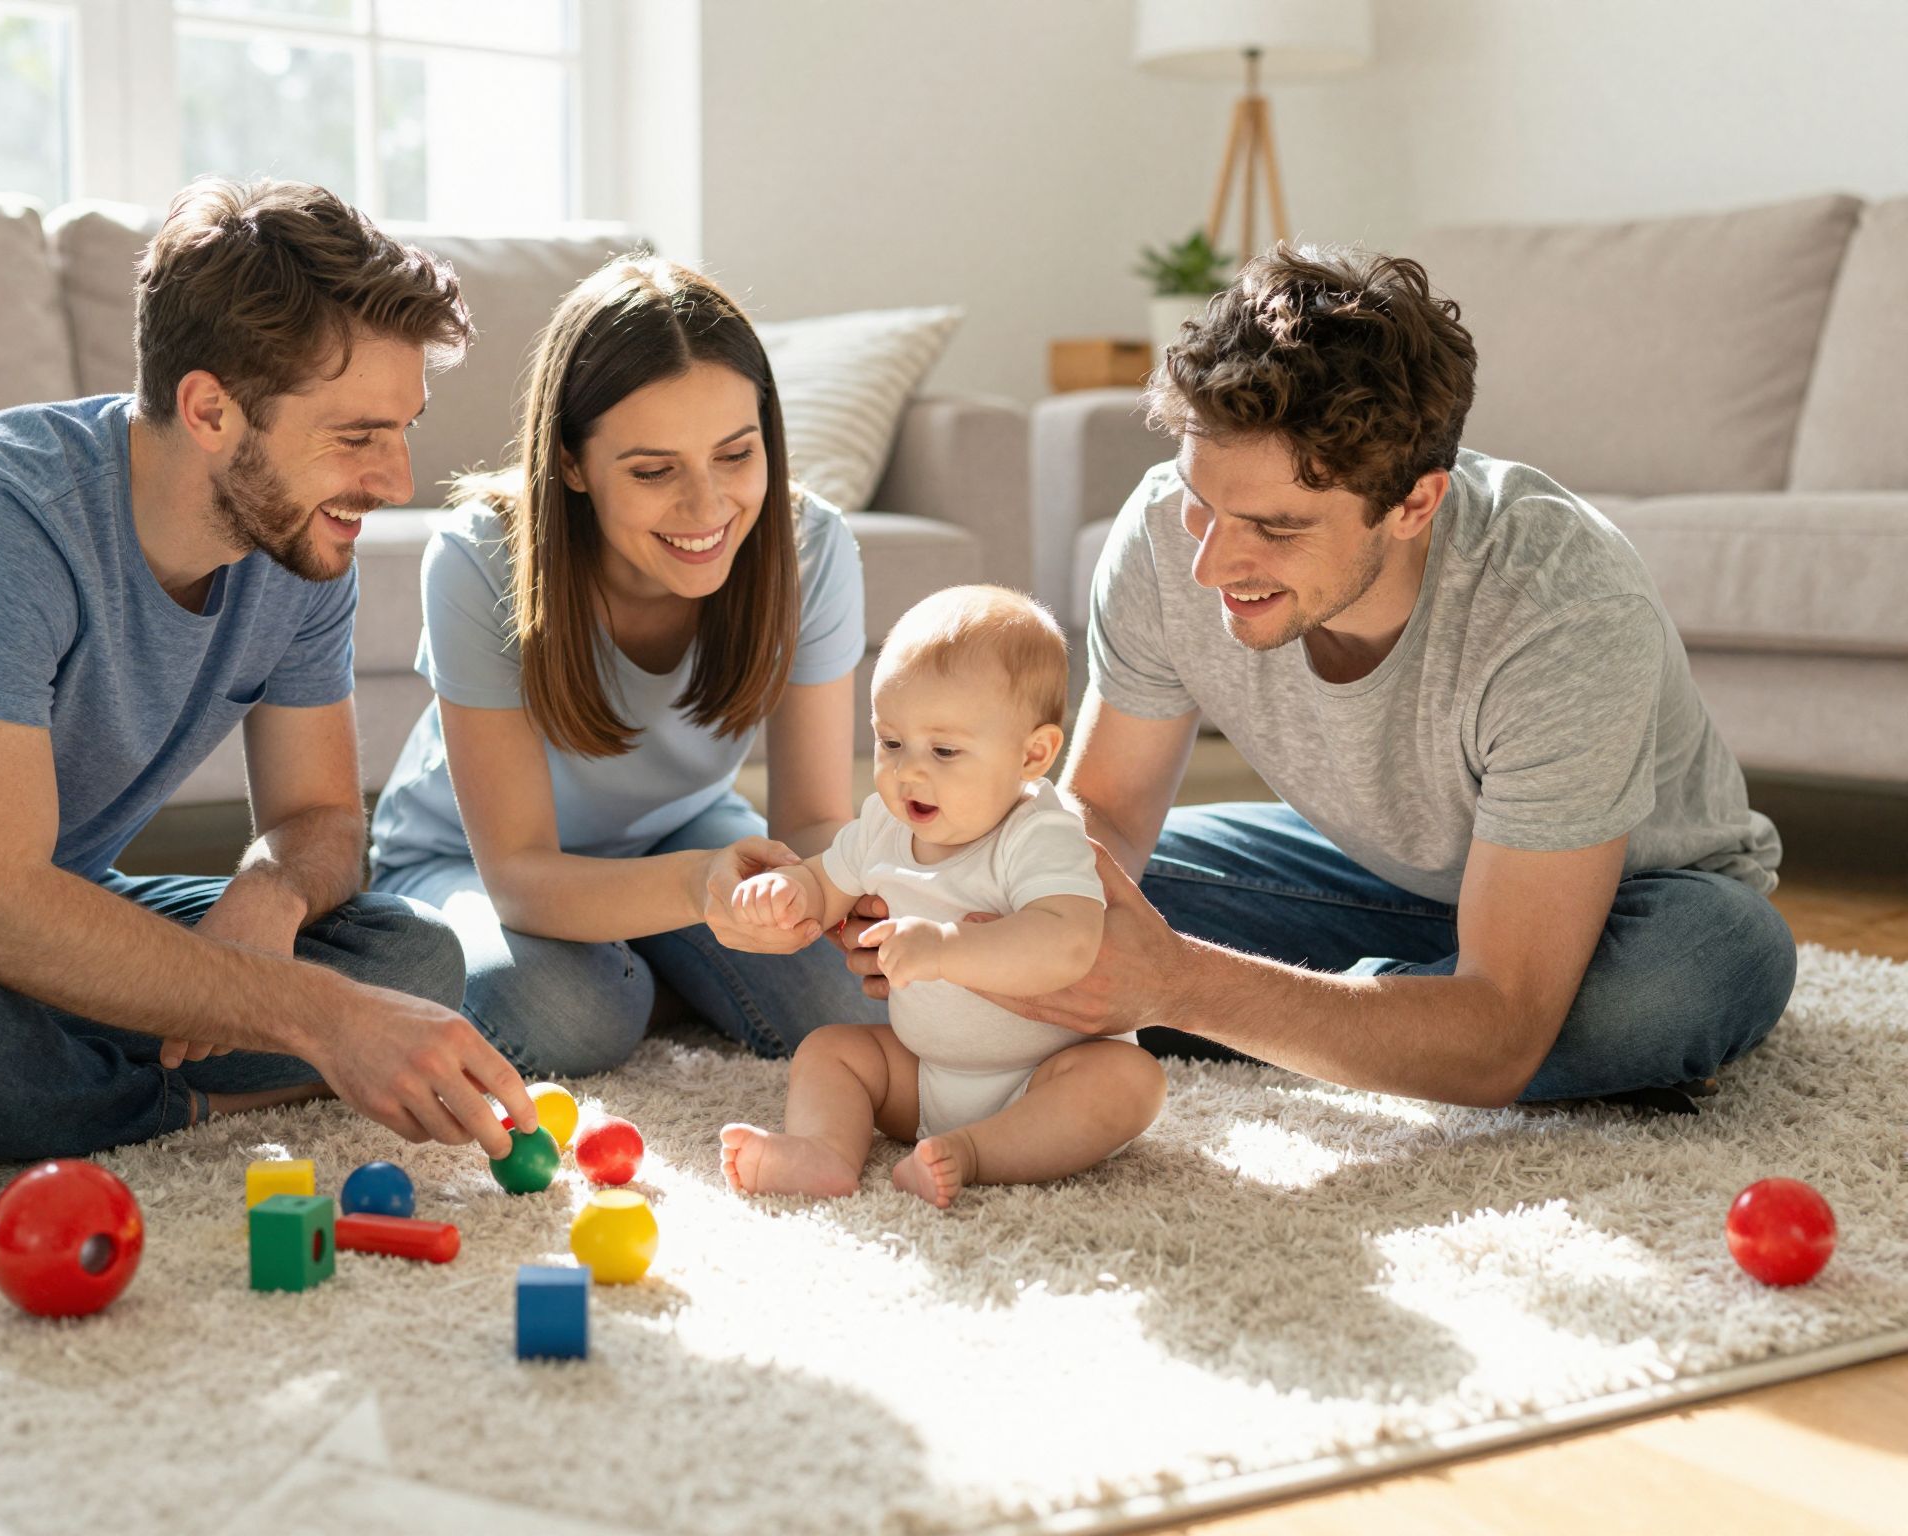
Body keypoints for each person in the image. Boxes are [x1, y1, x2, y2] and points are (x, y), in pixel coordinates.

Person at [841, 245, 1796, 1112]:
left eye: (1277, 528)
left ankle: (1354, 1023)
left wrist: (1178, 984)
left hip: (1639, 899)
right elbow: (1110, 819)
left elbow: (1504, 1031)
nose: (1212, 564)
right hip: (1366, 875)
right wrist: (978, 911)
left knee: (1668, 991)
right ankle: (1372, 1025)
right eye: (1203, 503)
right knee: (985, 875)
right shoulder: (1163, 533)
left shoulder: (1559, 605)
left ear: (1414, 503)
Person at [0, 177, 538, 1170]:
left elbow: (321, 820)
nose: (396, 482)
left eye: (404, 429)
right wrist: (316, 1018)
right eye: (356, 436)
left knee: (410, 959)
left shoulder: (300, 543)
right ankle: (166, 1108)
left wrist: (271, 887)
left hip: (46, 915)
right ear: (210, 409)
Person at [367, 254, 886, 1079]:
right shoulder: (480, 557)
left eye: (735, 455)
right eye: (653, 470)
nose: (707, 507)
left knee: (853, 1001)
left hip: (678, 835)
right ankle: (641, 976)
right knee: (567, 1014)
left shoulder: (811, 548)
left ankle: (639, 966)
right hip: (469, 861)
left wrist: (852, 893)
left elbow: (813, 822)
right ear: (572, 462)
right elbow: (519, 876)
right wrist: (696, 890)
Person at [720, 585, 1164, 1209]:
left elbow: (1069, 941)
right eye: (891, 743)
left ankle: (976, 1153)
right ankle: (823, 1152)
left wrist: (947, 949)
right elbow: (825, 884)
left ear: (1032, 754)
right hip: (926, 1073)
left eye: (944, 750)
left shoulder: (1039, 832)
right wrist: (787, 891)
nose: (908, 772)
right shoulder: (884, 825)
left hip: (1047, 1076)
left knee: (1130, 1082)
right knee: (831, 1051)